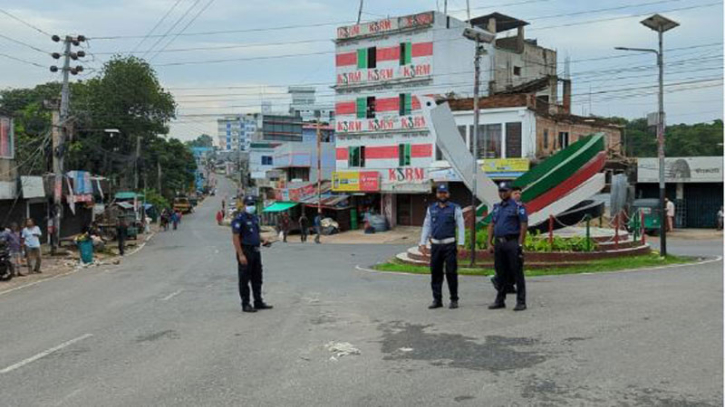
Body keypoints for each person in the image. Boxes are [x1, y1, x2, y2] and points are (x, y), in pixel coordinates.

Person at [419, 184, 466, 310]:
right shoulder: (431, 208)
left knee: (451, 272)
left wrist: (461, 244)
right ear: (437, 194)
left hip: (449, 245)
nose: (442, 195)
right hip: (435, 246)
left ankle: (454, 299)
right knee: (435, 273)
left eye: (444, 192)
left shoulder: (455, 208)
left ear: (448, 194)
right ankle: (437, 300)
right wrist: (422, 243)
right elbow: (426, 225)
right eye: (440, 193)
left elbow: (461, 226)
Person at [487, 182, 529, 311]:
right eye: (500, 191)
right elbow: (492, 225)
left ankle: (521, 302)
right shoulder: (497, 207)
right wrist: (489, 242)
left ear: (510, 191)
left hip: (512, 242)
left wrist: (520, 244)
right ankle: (500, 300)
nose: (502, 193)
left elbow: (523, 225)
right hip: (499, 244)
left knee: (517, 272)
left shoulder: (518, 207)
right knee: (500, 272)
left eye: (505, 191)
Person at [232, 195, 273, 313]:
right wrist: (240, 254)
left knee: (257, 277)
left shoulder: (255, 218)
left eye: (253, 204)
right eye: (249, 204)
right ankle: (245, 304)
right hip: (245, 250)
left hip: (256, 250)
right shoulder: (239, 219)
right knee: (244, 279)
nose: (252, 206)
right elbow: (235, 237)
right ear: (244, 205)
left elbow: (255, 234)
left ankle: (258, 301)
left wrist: (263, 240)